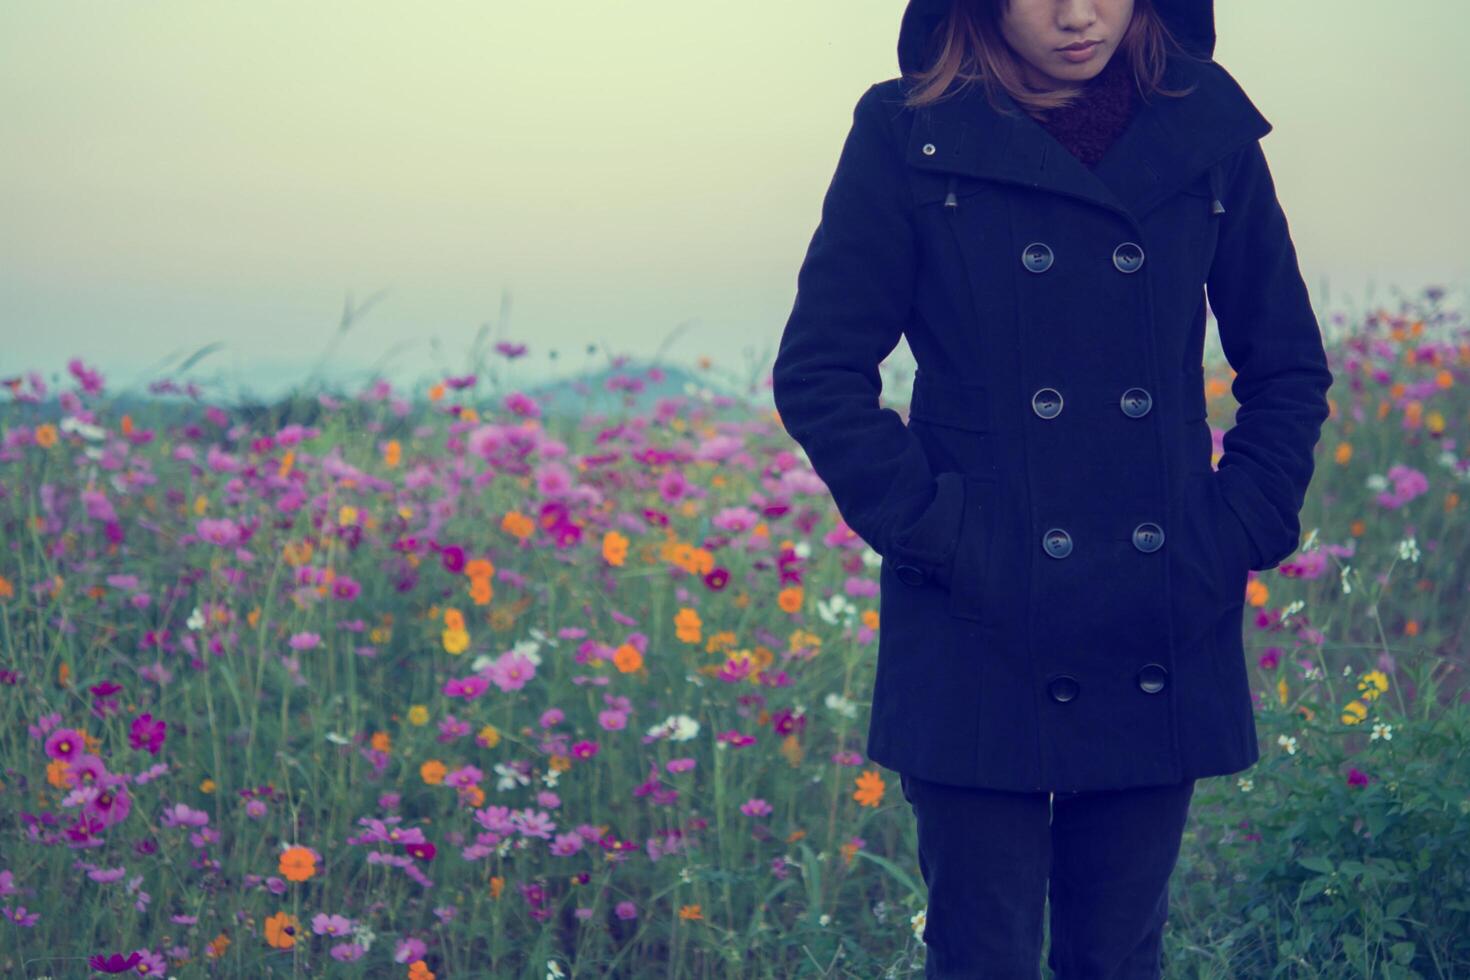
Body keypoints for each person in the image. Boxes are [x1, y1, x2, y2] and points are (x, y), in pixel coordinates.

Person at [770, 0, 1334, 976]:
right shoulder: (908, 131)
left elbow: (1285, 364)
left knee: (1118, 957)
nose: (1080, 16)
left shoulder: (1203, 125)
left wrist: (1232, 528)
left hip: (1156, 605)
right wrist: (944, 535)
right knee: (980, 955)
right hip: (979, 619)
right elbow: (820, 370)